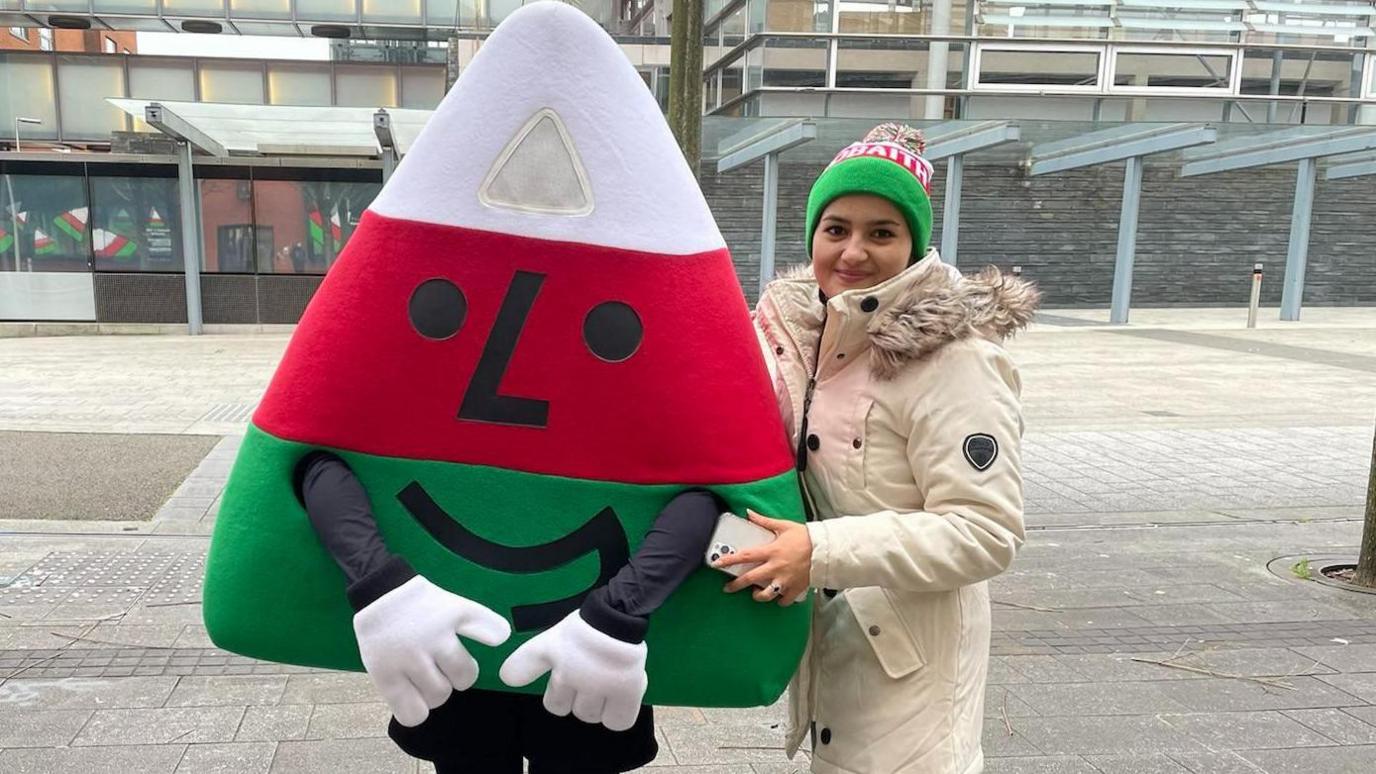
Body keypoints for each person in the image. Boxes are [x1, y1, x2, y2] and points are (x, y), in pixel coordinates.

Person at [716, 123, 1041, 774]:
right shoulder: (799, 342)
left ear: (915, 245)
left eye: (881, 233)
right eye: (836, 228)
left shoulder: (958, 362)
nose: (853, 251)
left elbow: (985, 531)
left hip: (912, 677)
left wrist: (820, 551)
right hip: (834, 653)